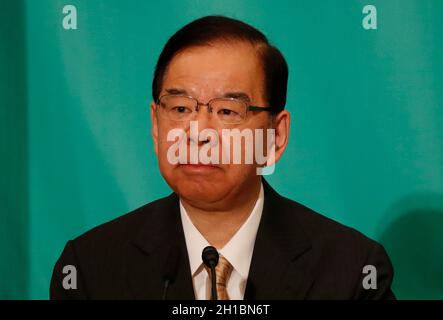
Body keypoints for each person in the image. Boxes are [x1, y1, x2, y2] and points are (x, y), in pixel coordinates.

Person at [50, 15, 395, 300]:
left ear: (275, 136)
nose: (199, 131)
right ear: (156, 125)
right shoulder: (89, 269)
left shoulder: (352, 272)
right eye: (181, 108)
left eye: (228, 111)